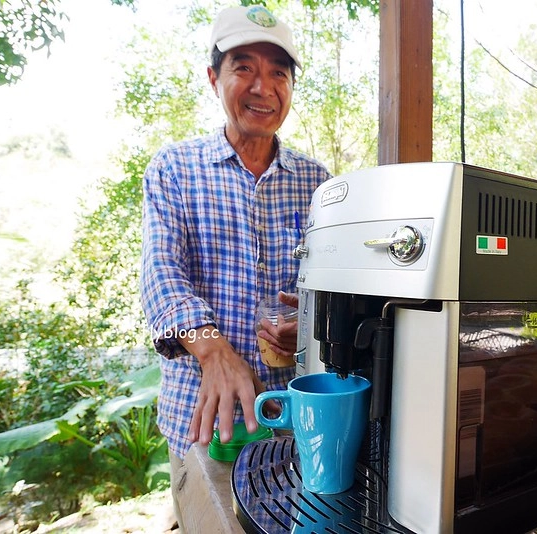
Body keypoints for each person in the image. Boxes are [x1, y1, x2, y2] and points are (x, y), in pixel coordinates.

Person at [139, 5, 331, 529]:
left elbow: (331, 290)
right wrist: (212, 347)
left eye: (278, 73)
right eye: (243, 67)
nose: (262, 87)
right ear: (213, 78)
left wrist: (308, 330)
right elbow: (160, 273)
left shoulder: (319, 182)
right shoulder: (174, 169)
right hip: (203, 425)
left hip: (294, 420)